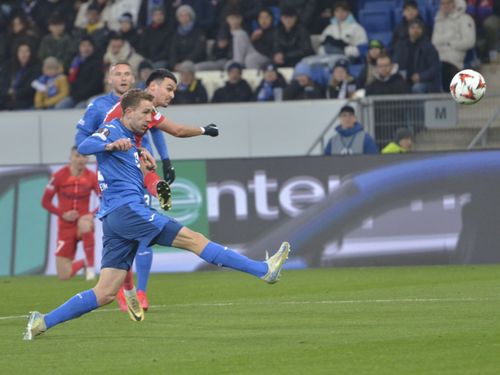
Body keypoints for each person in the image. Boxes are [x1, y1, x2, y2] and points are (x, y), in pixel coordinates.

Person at [23, 89, 290, 340]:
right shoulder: (112, 130)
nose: (151, 118)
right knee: (195, 240)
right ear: (127, 112)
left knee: (104, 293)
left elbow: (130, 173)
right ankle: (263, 270)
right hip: (127, 211)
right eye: (146, 112)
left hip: (115, 219)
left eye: (153, 113)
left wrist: (145, 169)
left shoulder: (134, 144)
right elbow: (84, 146)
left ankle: (41, 322)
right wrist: (110, 145)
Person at [102, 69, 219, 313]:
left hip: (134, 164)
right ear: (152, 87)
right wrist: (204, 129)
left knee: (138, 229)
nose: (172, 94)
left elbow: (159, 131)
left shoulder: (147, 113)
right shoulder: (112, 107)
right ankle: (131, 290)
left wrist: (166, 160)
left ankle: (136, 291)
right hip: (116, 174)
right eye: (169, 88)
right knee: (135, 229)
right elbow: (175, 130)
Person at [41, 146, 99, 281]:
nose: (80, 159)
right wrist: (63, 214)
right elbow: (45, 202)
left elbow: (104, 201)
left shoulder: (92, 177)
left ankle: (90, 269)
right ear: (70, 157)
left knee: (84, 223)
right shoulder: (58, 176)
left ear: (88, 159)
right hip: (65, 226)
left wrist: (91, 215)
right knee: (63, 276)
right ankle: (84, 263)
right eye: (77, 156)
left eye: (84, 156)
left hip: (83, 224)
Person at [432, 0, 476, 91]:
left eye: (448, 3)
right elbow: (434, 41)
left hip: (454, 60)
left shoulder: (465, 19)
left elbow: (469, 41)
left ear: (455, 3)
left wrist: (450, 44)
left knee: (444, 68)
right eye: (443, 3)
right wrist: (450, 38)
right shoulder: (438, 20)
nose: (445, 6)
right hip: (437, 57)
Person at [392, 19, 441, 93]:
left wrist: (420, 76)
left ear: (422, 30)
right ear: (408, 30)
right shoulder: (401, 46)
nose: (415, 30)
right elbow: (395, 63)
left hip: (425, 81)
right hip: (405, 80)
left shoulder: (429, 47)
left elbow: (435, 68)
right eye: (412, 27)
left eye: (418, 28)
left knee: (417, 88)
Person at [56, 37, 104, 109]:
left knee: (78, 108)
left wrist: (80, 94)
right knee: (60, 106)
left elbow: (95, 84)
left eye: (88, 46)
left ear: (93, 48)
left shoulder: (97, 62)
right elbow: (71, 79)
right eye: (83, 46)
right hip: (75, 96)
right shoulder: (75, 62)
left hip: (89, 97)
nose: (86, 48)